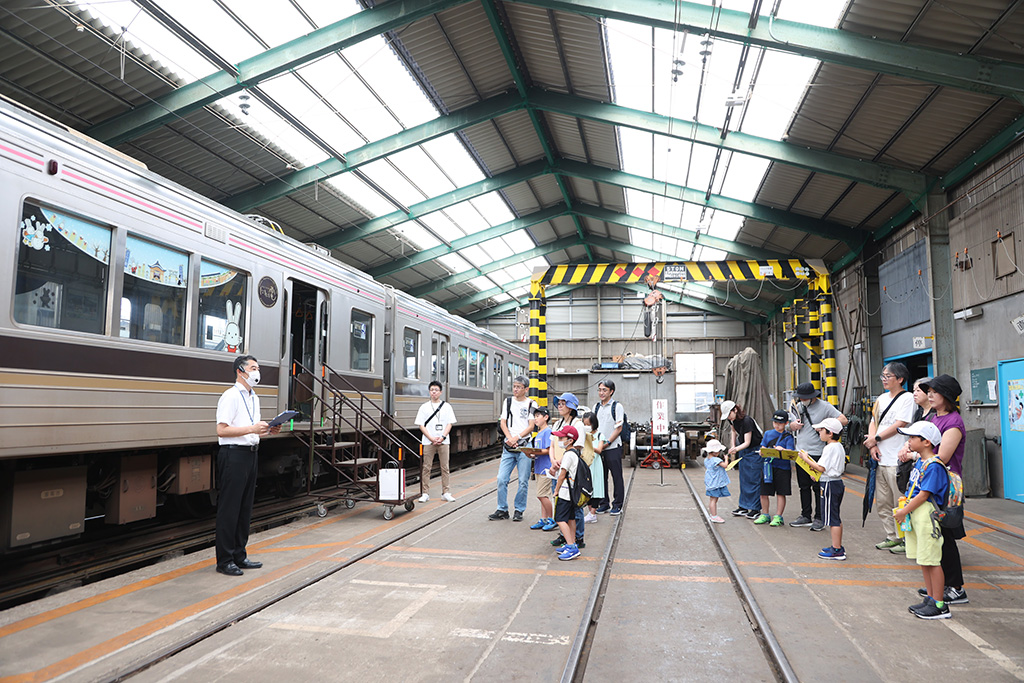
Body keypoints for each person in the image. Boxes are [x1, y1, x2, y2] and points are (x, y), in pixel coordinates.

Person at [900, 375, 970, 605]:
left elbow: (943, 457)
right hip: (931, 481)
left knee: (946, 537)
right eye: (928, 391)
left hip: (944, 487)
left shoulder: (953, 422)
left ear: (947, 396)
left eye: (934, 392)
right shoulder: (933, 416)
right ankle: (939, 586)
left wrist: (913, 454)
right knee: (936, 536)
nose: (929, 394)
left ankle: (955, 587)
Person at [214, 355, 279, 576]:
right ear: (240, 371)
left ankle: (239, 555)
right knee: (229, 509)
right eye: (253, 368)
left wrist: (268, 429)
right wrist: (252, 429)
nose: (257, 372)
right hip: (233, 456)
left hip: (251, 455)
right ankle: (224, 560)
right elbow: (222, 430)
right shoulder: (230, 396)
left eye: (258, 368)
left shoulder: (254, 397)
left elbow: (251, 427)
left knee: (244, 508)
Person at [894, 421, 950, 619]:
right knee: (924, 559)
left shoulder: (934, 466)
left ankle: (940, 604)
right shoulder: (921, 461)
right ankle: (931, 597)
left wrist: (903, 511)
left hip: (927, 515)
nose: (909, 441)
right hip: (917, 514)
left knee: (933, 561)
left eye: (912, 438)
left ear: (926, 442)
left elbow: (924, 495)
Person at [864, 363, 915, 552]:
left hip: (897, 460)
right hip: (880, 459)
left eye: (888, 376)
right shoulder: (882, 399)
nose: (884, 379)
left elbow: (901, 424)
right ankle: (891, 536)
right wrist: (873, 444)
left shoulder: (908, 398)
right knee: (883, 502)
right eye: (882, 376)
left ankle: (906, 539)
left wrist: (876, 438)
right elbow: (873, 422)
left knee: (900, 501)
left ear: (900, 379)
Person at [788, 382, 848, 531]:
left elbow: (843, 419)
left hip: (817, 452)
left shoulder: (825, 406)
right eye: (800, 398)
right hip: (801, 453)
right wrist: (792, 426)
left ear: (811, 397)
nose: (802, 400)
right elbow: (789, 425)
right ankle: (805, 515)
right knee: (803, 486)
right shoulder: (799, 407)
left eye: (804, 398)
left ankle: (819, 517)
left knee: (817, 487)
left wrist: (825, 425)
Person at [797, 417, 846, 560]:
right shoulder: (838, 446)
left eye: (821, 430)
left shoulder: (829, 448)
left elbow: (820, 467)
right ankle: (837, 546)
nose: (819, 433)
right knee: (835, 515)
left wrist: (805, 458)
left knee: (833, 518)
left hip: (830, 484)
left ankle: (837, 550)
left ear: (830, 433)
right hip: (835, 482)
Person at [489, 376, 537, 522]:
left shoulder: (531, 403)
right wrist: (510, 438)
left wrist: (516, 438)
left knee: (523, 480)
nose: (515, 389)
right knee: (501, 479)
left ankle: (519, 510)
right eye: (514, 386)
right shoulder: (508, 401)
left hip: (524, 447)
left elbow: (531, 426)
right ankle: (502, 509)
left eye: (519, 387)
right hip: (509, 447)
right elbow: (503, 422)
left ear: (526, 389)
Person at [551, 393, 587, 547]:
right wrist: (553, 461)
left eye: (563, 403)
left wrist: (561, 462)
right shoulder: (557, 424)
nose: (559, 406)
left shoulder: (578, 424)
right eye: (558, 403)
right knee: (561, 504)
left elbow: (578, 447)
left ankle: (577, 537)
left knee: (574, 506)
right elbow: (552, 445)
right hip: (557, 469)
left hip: (570, 472)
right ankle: (564, 536)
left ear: (571, 407)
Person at [415, 381, 457, 504]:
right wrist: (431, 438)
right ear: (429, 391)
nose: (434, 392)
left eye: (436, 390)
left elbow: (450, 423)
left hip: (444, 441)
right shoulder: (424, 407)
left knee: (445, 467)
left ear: (441, 392)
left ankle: (446, 492)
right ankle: (425, 493)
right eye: (432, 390)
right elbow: (421, 425)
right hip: (428, 442)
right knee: (426, 467)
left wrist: (442, 437)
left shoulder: (447, 406)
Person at [721, 400, 762, 520]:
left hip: (754, 450)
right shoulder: (731, 419)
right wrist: (732, 445)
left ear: (735, 410)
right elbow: (733, 431)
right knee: (744, 479)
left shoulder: (747, 421)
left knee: (753, 479)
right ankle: (743, 506)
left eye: (729, 414)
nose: (729, 418)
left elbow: (747, 442)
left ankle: (755, 509)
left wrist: (736, 449)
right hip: (743, 451)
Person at [592, 380, 626, 515]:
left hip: (613, 447)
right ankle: (603, 503)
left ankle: (617, 504)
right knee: (601, 477)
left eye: (604, 390)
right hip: (599, 448)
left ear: (611, 391)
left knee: (616, 477)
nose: (601, 393)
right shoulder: (596, 407)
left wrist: (607, 443)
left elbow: (618, 428)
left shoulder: (617, 407)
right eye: (599, 390)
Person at [755, 410, 794, 527]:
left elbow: (791, 452)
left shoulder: (788, 436)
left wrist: (783, 450)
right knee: (763, 492)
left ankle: (778, 516)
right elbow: (763, 446)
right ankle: (765, 514)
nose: (777, 425)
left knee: (781, 493)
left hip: (782, 468)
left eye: (780, 423)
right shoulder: (768, 434)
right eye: (775, 422)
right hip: (768, 466)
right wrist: (762, 451)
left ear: (786, 423)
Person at [550, 425, 583, 561]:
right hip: (572, 492)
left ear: (570, 440)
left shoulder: (569, 455)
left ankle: (571, 547)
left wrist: (556, 490)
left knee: (559, 519)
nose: (559, 440)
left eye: (561, 437)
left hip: (565, 492)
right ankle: (572, 543)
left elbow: (562, 474)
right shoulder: (575, 453)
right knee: (570, 518)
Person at [529, 408, 555, 530]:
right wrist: (530, 453)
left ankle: (552, 518)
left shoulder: (548, 432)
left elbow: (549, 450)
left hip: (546, 468)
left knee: (541, 495)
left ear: (546, 417)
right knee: (542, 495)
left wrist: (536, 453)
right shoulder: (539, 433)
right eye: (535, 416)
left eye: (538, 415)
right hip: (539, 468)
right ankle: (544, 519)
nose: (536, 418)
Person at [581, 411, 607, 524]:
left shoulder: (599, 435)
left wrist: (588, 444)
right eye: (584, 424)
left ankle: (593, 513)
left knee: (596, 487)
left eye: (588, 424)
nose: (586, 427)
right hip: (585, 464)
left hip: (595, 464)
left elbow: (599, 450)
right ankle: (590, 512)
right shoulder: (582, 435)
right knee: (587, 488)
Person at [702, 439, 730, 523]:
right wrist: (726, 459)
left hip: (710, 481)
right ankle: (714, 516)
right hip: (715, 482)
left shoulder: (707, 459)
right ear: (715, 452)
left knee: (713, 499)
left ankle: (713, 514)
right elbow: (725, 466)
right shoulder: (716, 460)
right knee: (714, 500)